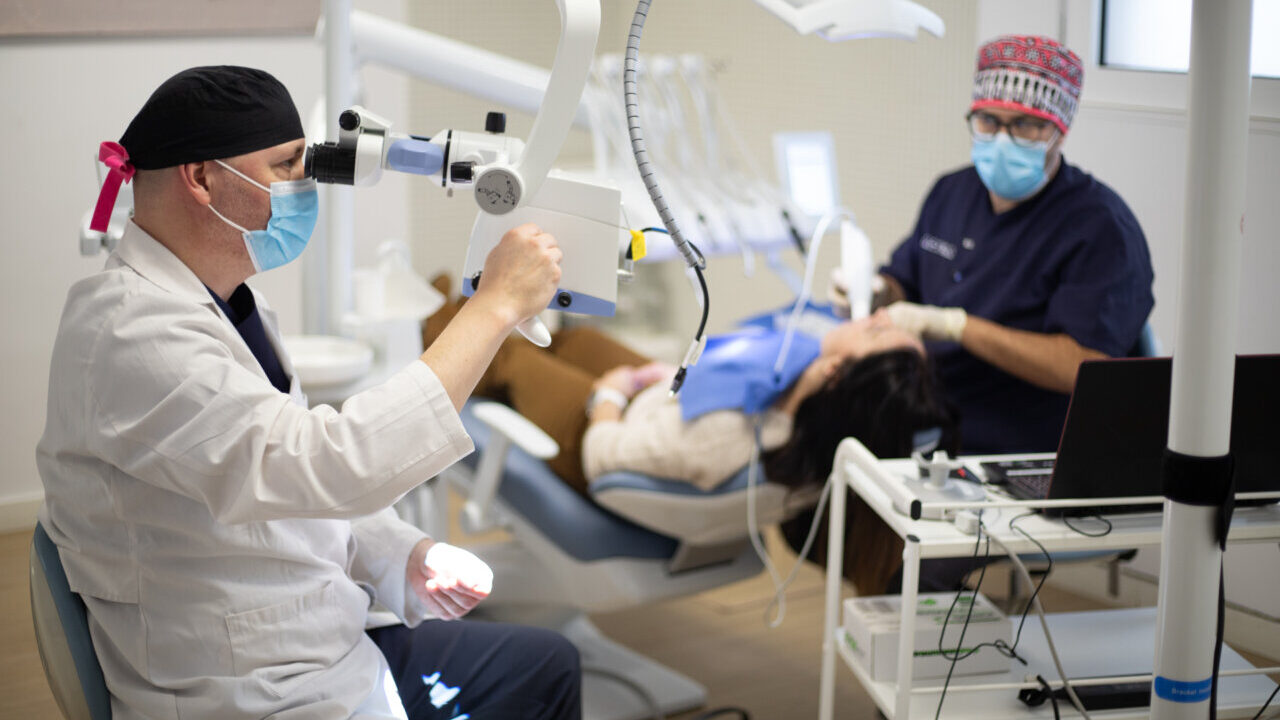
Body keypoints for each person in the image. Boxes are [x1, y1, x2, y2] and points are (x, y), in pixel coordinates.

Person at [37, 66, 580, 720]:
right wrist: (491, 308)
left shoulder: (229, 305)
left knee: (548, 666)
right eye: (286, 165)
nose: (304, 186)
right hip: (247, 690)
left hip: (310, 640)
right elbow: (330, 464)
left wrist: (402, 556)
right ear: (202, 177)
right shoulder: (133, 335)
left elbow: (291, 486)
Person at [424, 294, 957, 595]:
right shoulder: (811, 420)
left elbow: (605, 453)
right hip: (656, 406)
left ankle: (429, 331)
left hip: (599, 436)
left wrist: (606, 397)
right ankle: (450, 314)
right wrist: (666, 378)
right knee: (580, 338)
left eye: (872, 331)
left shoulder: (726, 439)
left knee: (508, 357)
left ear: (837, 371)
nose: (865, 321)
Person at [872, 35, 1156, 455]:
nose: (1002, 139)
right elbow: (904, 280)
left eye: (1023, 125)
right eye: (988, 120)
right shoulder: (951, 191)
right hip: (927, 414)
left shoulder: (1099, 228)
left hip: (1023, 443)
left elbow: (1081, 366)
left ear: (1059, 131)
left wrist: (959, 327)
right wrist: (872, 290)